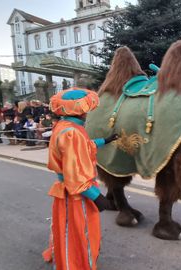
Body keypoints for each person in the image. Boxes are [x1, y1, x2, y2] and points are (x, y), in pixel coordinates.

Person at [42, 88, 118, 270]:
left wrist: (104, 141)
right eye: (85, 109)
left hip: (69, 189)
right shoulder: (72, 133)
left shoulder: (63, 126)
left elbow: (83, 148)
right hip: (75, 193)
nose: (87, 113)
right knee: (77, 231)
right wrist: (97, 197)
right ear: (79, 110)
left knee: (68, 228)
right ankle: (74, 264)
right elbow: (74, 175)